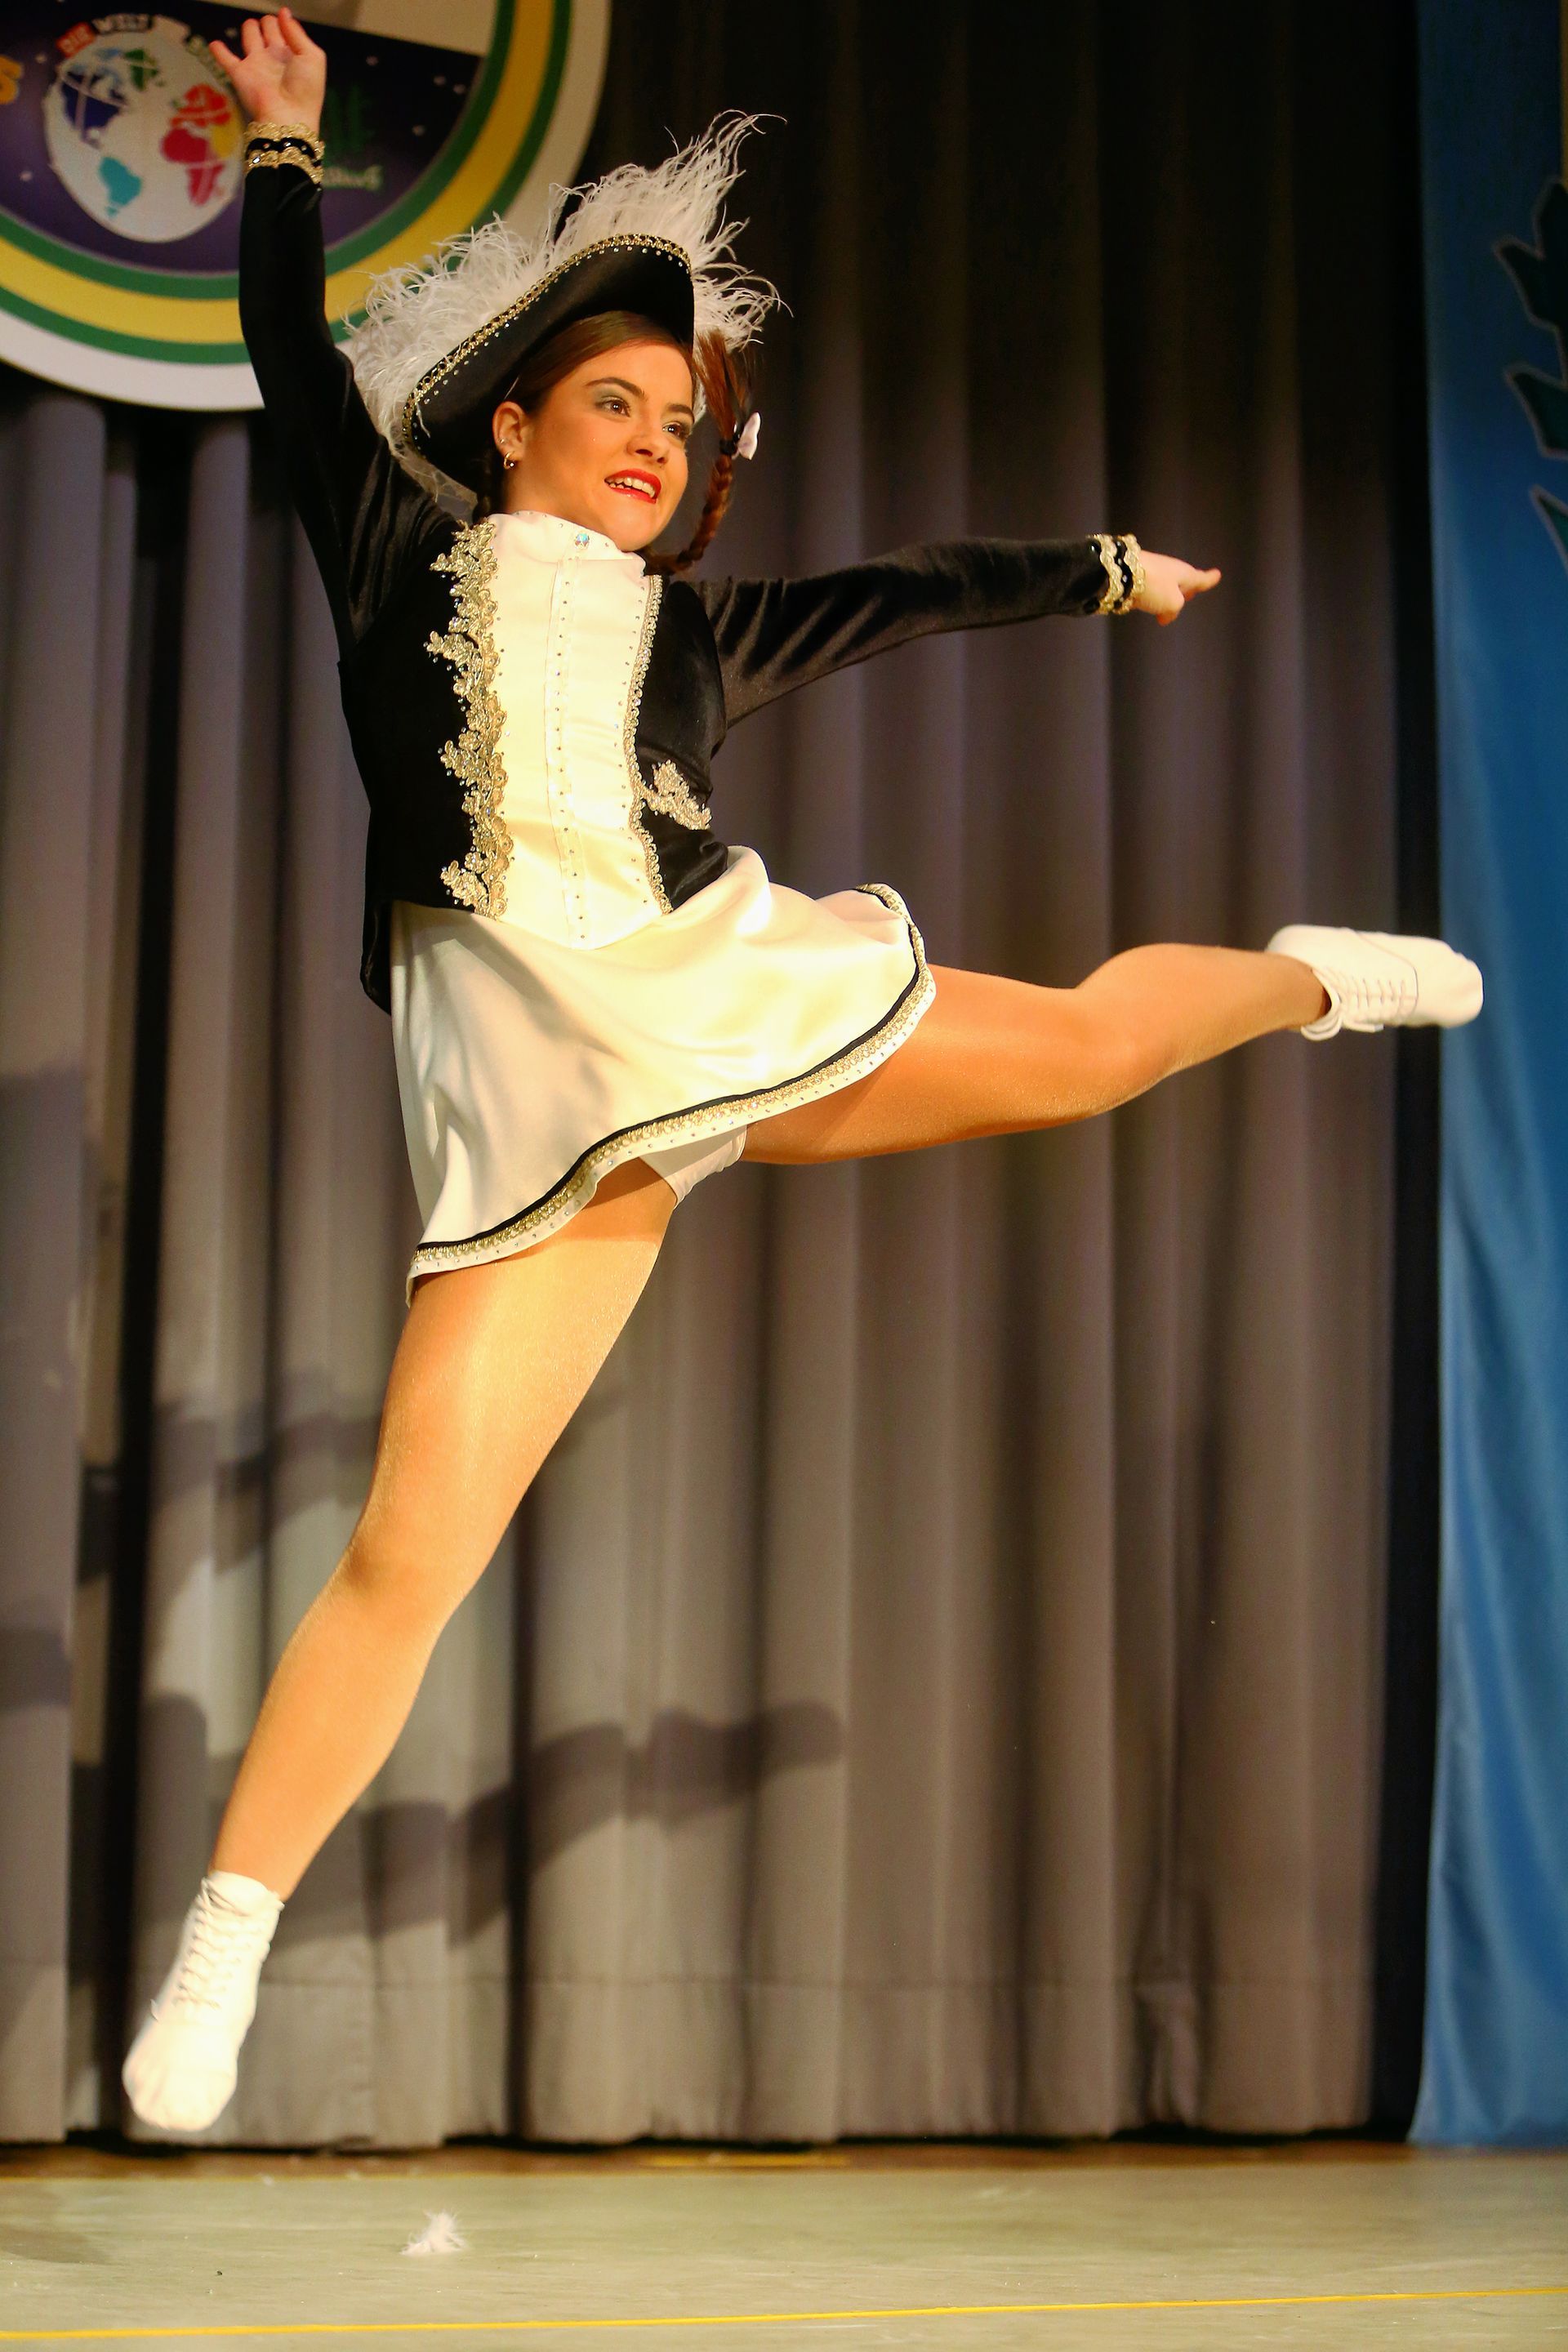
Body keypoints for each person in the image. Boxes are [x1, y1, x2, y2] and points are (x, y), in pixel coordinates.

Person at [122, 10, 1481, 2135]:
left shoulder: (693, 634)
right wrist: (283, 153)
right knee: (412, 1549)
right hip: (544, 1102)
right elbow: (295, 364)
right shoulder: (395, 559)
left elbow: (903, 593)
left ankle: (1302, 986)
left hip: (724, 996)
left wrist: (1101, 573)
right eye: (617, 404)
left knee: (1090, 1054)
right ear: (512, 424)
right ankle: (227, 1937)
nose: (660, 444)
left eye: (685, 423)